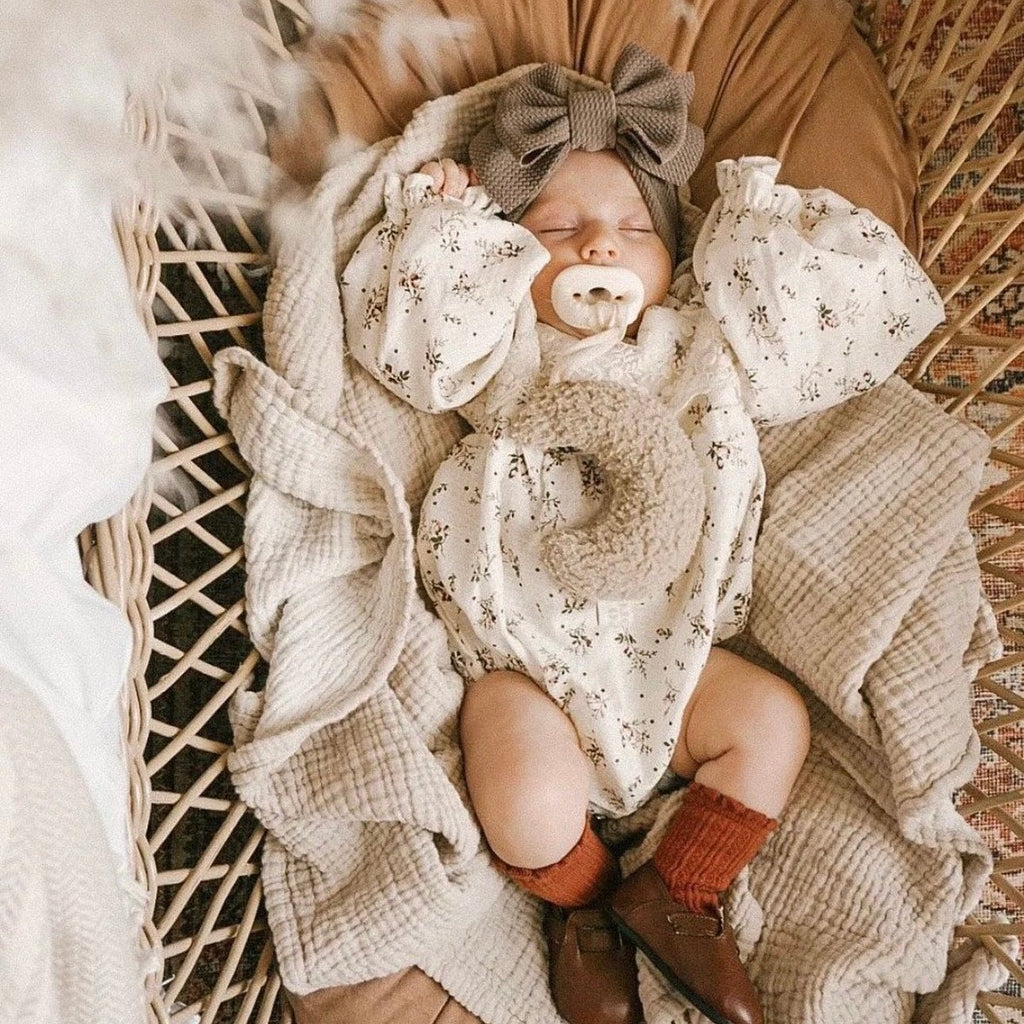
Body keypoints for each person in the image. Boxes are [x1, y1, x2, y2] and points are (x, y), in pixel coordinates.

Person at [340, 44, 944, 1024]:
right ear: (510, 248)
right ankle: (581, 907)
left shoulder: (698, 337)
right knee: (527, 793)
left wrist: (755, 229)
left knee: (771, 722)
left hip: (677, 651)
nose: (599, 248)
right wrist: (442, 227)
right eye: (557, 227)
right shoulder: (505, 342)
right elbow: (413, 342)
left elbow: (821, 329)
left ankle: (672, 895)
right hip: (526, 656)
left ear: (675, 255)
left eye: (631, 228)